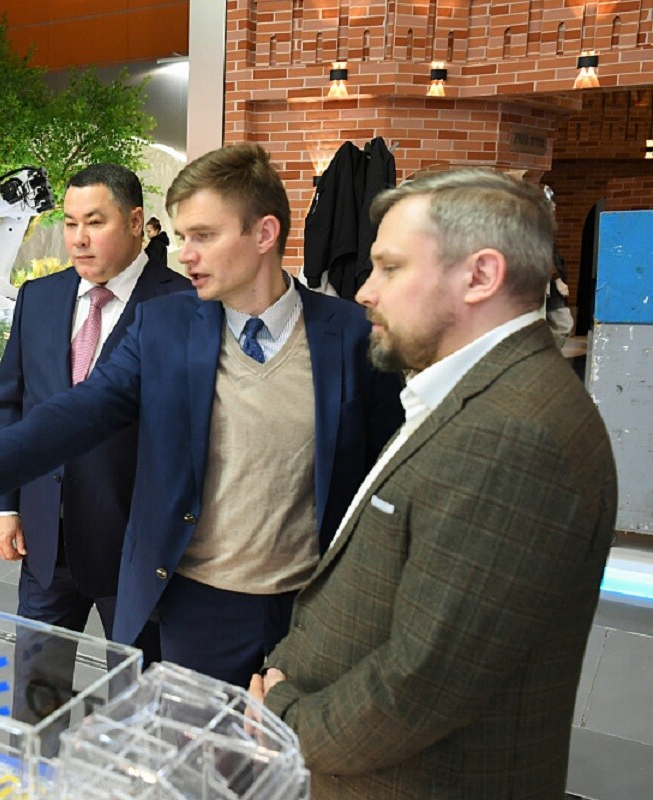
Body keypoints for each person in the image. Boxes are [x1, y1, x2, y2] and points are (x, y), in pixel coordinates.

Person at [0, 143, 403, 689]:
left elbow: (383, 483)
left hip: (311, 613)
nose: (185, 254)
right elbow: (71, 416)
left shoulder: (353, 337)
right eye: (183, 236)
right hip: (197, 610)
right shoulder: (165, 327)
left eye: (203, 236)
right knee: (177, 739)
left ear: (264, 234)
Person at [249, 169, 618, 798]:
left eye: (390, 268)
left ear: (480, 275)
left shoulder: (511, 434)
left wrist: (286, 722)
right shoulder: (477, 394)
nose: (364, 291)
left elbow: (425, 682)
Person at [0, 164, 189, 697]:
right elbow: (9, 405)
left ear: (136, 222)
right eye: (70, 223)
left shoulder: (184, 306)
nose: (78, 239)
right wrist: (3, 505)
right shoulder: (39, 297)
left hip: (136, 549)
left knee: (142, 699)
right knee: (36, 695)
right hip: (44, 543)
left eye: (95, 222)